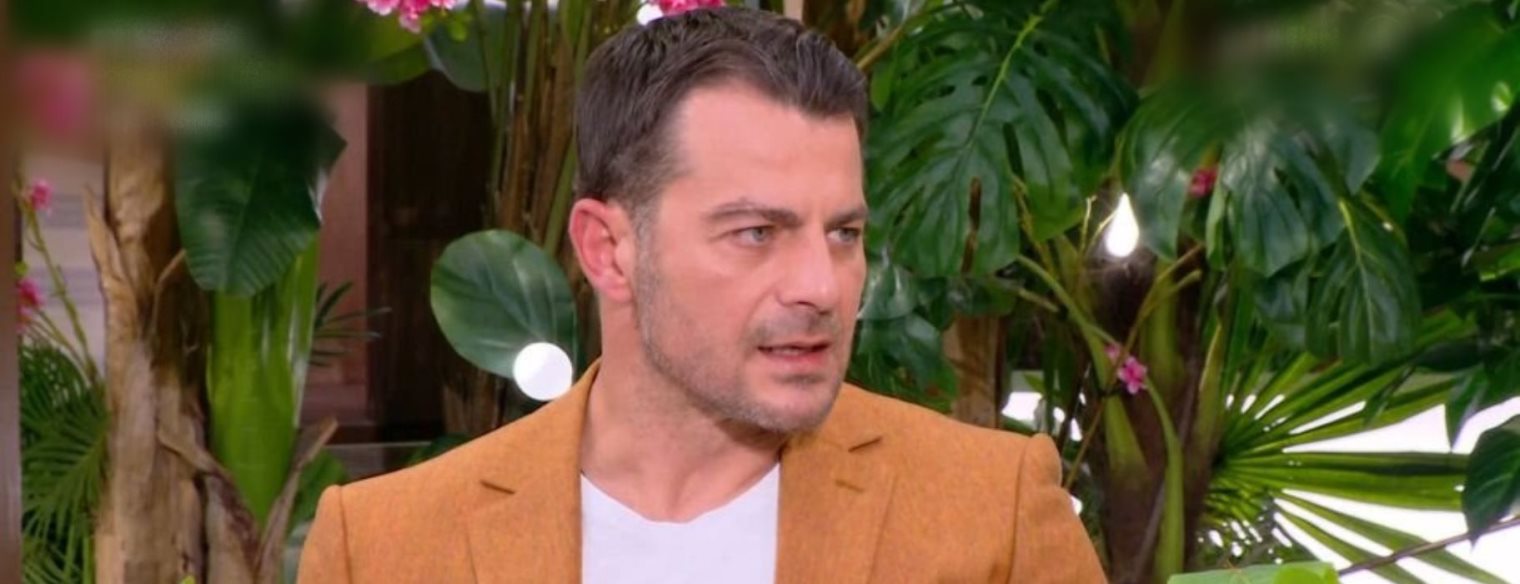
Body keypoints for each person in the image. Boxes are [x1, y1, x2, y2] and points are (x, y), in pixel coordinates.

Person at [298, 7, 1103, 583]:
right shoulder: (383, 548)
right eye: (755, 232)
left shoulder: (992, 514)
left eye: (844, 233)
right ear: (608, 250)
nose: (821, 287)